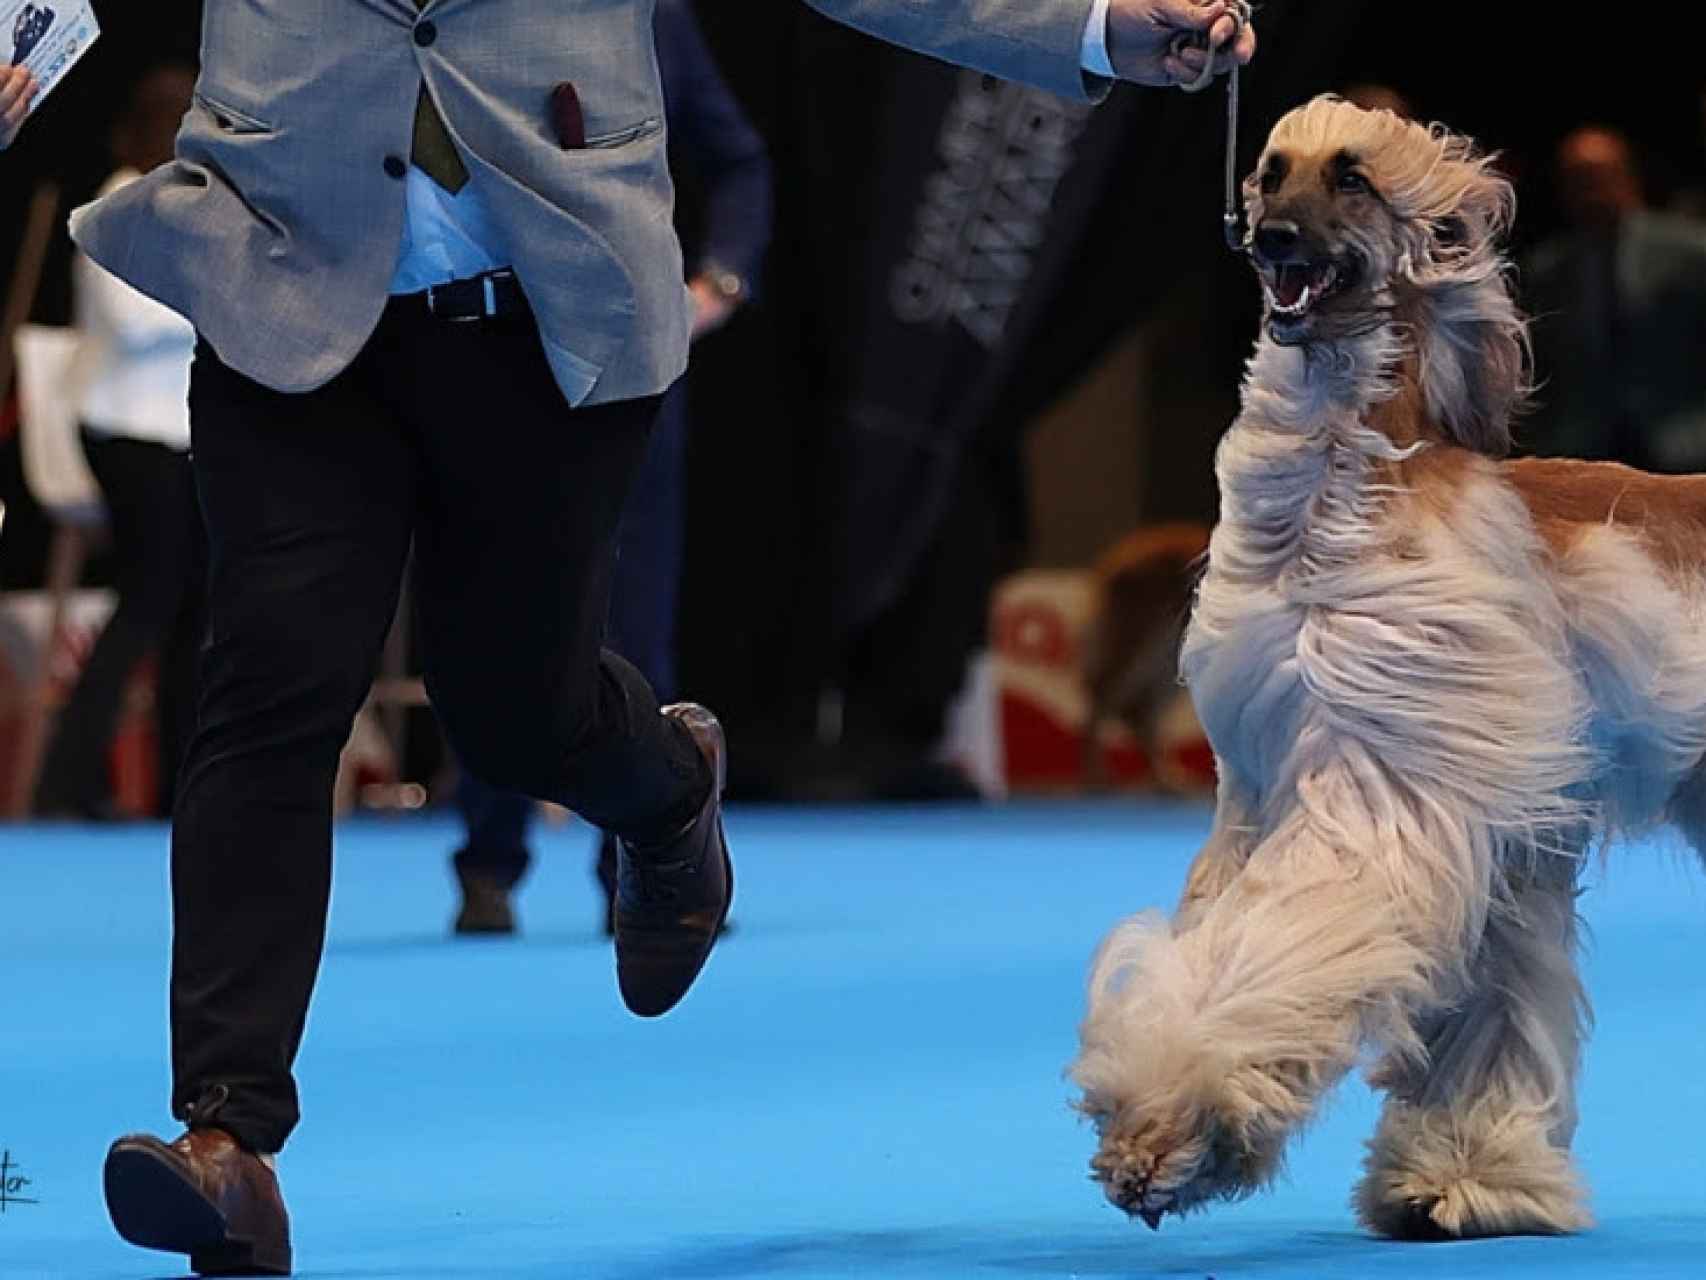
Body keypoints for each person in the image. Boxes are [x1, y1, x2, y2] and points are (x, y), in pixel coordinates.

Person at [3, 2, 1254, 1274]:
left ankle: (665, 787)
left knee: (510, 708)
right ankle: (229, 1140)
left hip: (546, 313)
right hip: (282, 289)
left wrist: (1091, 26)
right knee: (266, 693)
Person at [451, 0, 774, 939]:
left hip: (634, 351)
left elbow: (740, 156)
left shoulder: (654, 12)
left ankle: (643, 863)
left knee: (635, 617)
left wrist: (720, 282)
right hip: (484, 348)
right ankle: (487, 860)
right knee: (490, 608)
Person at [32, 65, 205, 822]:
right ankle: (67, 780)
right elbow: (136, 326)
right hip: (125, 430)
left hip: (184, 434)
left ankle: (180, 786)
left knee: (196, 612)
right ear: (137, 128)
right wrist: (217, 304)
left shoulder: (194, 208)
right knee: (150, 596)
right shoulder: (112, 202)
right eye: (164, 116)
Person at [1521, 126, 1706, 472]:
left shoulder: (1690, 251)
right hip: (1588, 447)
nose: (1589, 190)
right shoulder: (1547, 269)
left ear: (1627, 175)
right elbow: (1541, 369)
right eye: (1576, 180)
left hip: (1684, 440)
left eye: (1596, 176)